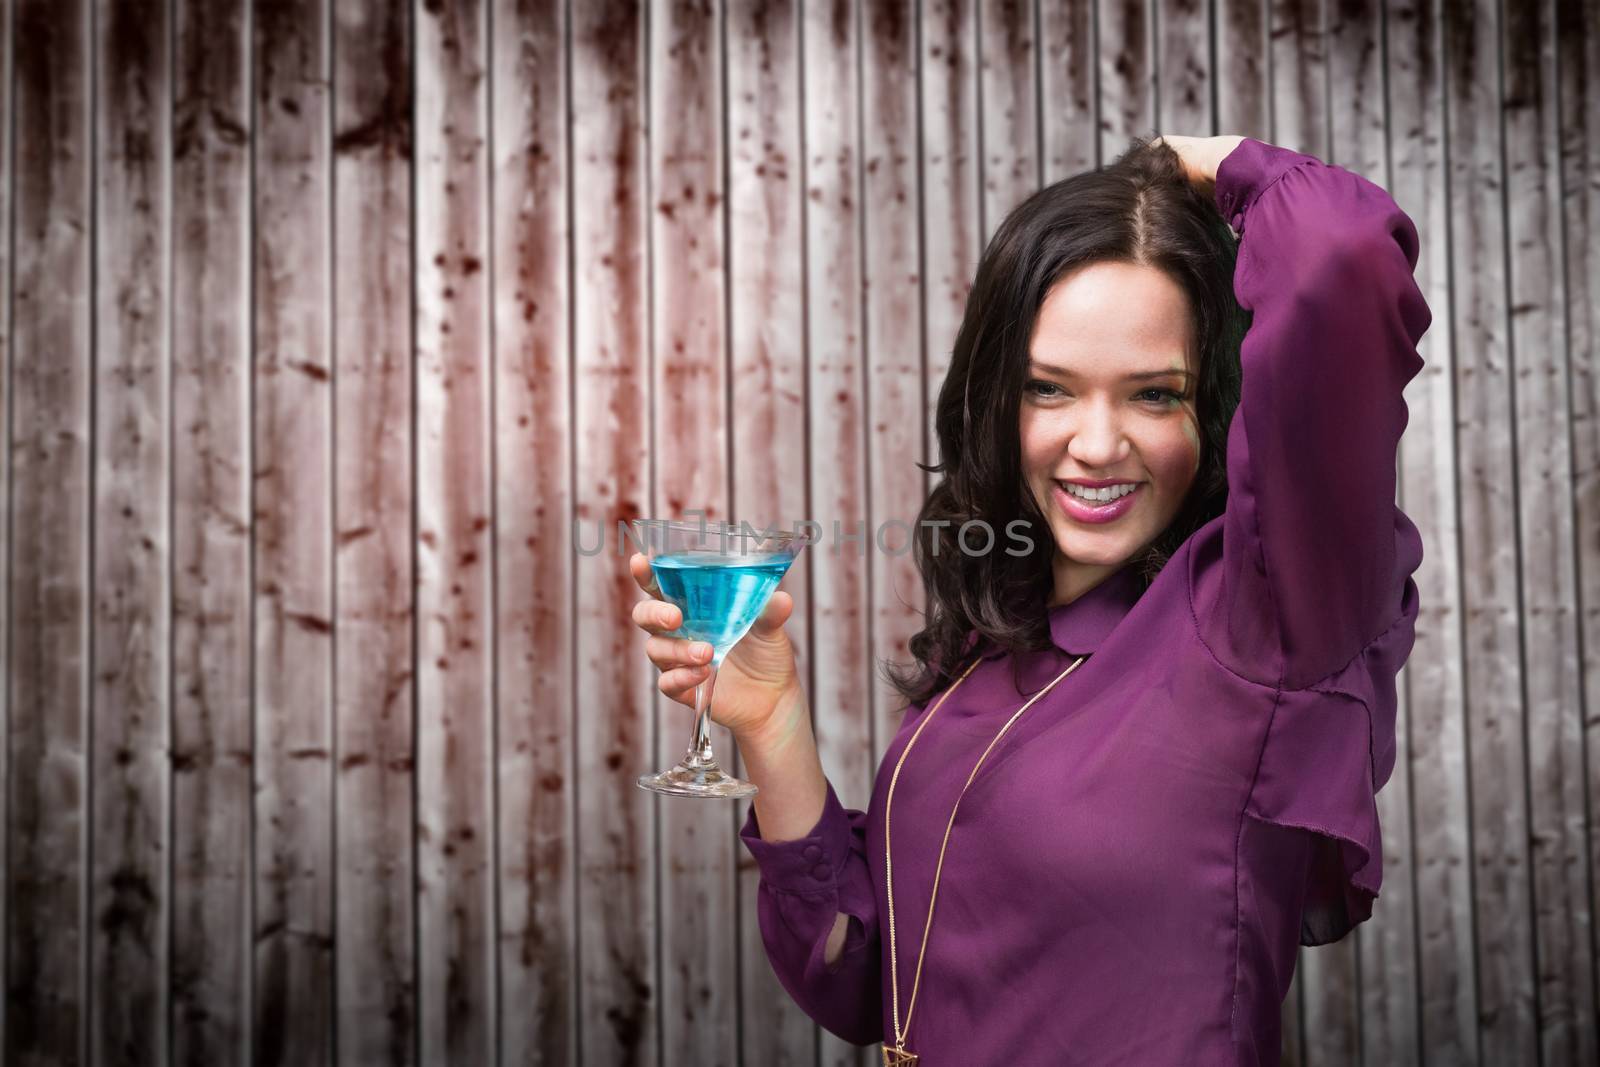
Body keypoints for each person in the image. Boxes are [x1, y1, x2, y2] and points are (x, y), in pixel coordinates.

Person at [629, 133, 1431, 1064]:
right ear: (998, 402)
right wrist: (771, 722)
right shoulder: (985, 651)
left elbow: (1342, 253)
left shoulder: (1261, 618)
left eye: (1153, 395)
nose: (1096, 444)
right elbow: (866, 980)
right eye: (1050, 388)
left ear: (1212, 407)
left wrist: (1199, 161)